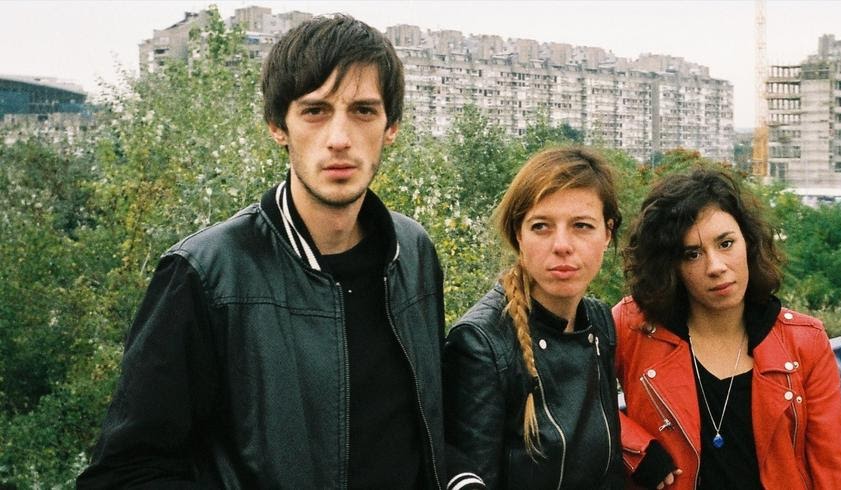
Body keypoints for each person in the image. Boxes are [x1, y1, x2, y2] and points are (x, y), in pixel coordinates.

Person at [77, 15, 447, 488]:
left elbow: (429, 430)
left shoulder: (412, 252)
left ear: (390, 126)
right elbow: (124, 474)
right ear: (278, 126)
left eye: (363, 111)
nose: (339, 138)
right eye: (315, 111)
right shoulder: (206, 274)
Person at [615, 166, 841, 489]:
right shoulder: (635, 327)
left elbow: (835, 469)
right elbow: (568, 393)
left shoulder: (804, 342)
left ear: (748, 242)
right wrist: (635, 449)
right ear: (671, 266)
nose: (716, 267)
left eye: (726, 243)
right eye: (692, 254)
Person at [443, 147, 626, 490]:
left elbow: (609, 469)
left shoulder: (598, 321)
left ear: (607, 233)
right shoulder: (481, 343)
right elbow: (474, 472)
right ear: (519, 235)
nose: (562, 245)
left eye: (582, 226)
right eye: (541, 226)